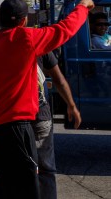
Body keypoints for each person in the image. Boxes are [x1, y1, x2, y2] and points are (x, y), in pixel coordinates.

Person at [0, 0, 94, 199]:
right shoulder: (26, 38)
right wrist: (83, 6)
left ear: (1, 18)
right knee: (27, 185)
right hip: (18, 126)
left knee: (5, 180)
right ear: (24, 21)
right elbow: (65, 29)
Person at [34, 50, 82, 199]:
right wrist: (72, 106)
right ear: (24, 23)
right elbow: (59, 79)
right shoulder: (38, 43)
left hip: (9, 118)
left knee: (15, 171)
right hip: (39, 114)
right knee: (45, 170)